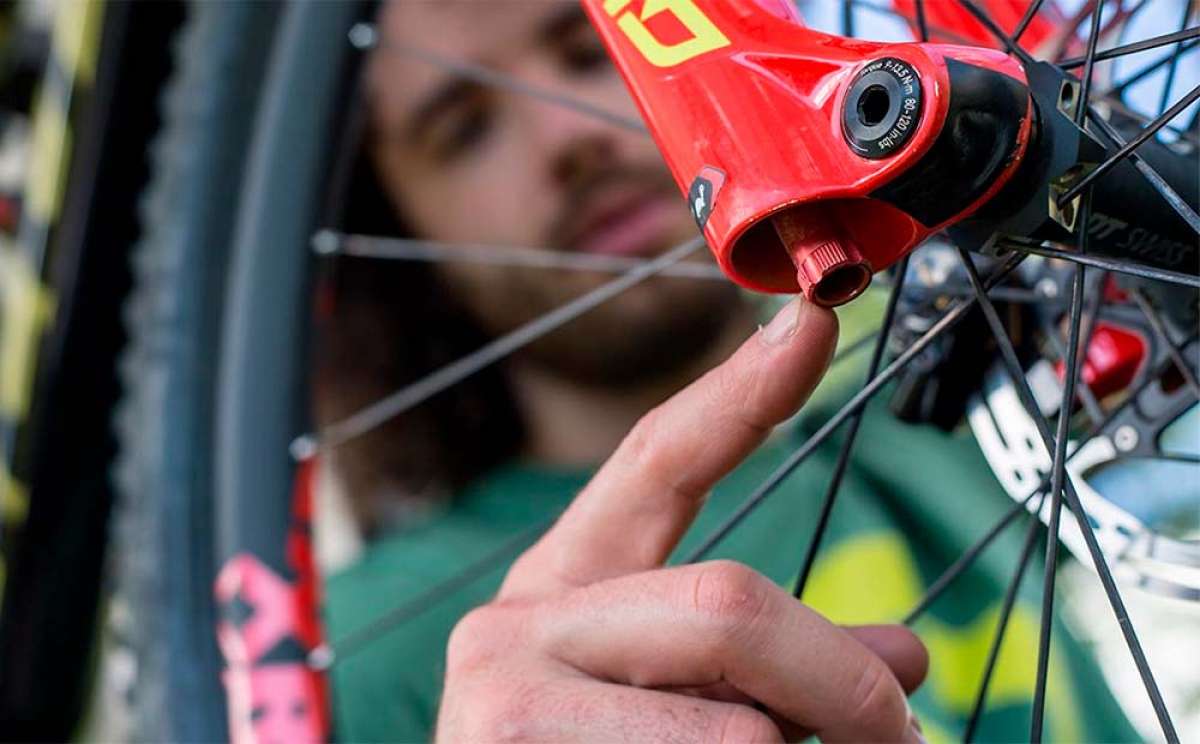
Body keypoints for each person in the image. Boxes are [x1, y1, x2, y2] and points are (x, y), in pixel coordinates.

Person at [316, 2, 1137, 742]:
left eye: (591, 49)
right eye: (463, 130)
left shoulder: (940, 420)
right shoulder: (356, 657)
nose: (565, 138)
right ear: (396, 230)